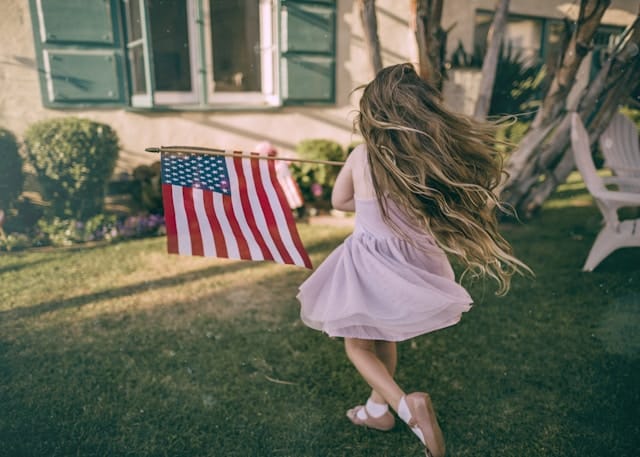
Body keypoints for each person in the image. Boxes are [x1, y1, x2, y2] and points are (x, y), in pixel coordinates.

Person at [296, 63, 530, 457]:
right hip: (413, 262)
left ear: (375, 113)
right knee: (384, 335)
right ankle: (376, 410)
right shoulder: (423, 160)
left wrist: (364, 197)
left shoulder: (361, 156)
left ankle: (407, 408)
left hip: (371, 261)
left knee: (357, 347)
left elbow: (338, 202)